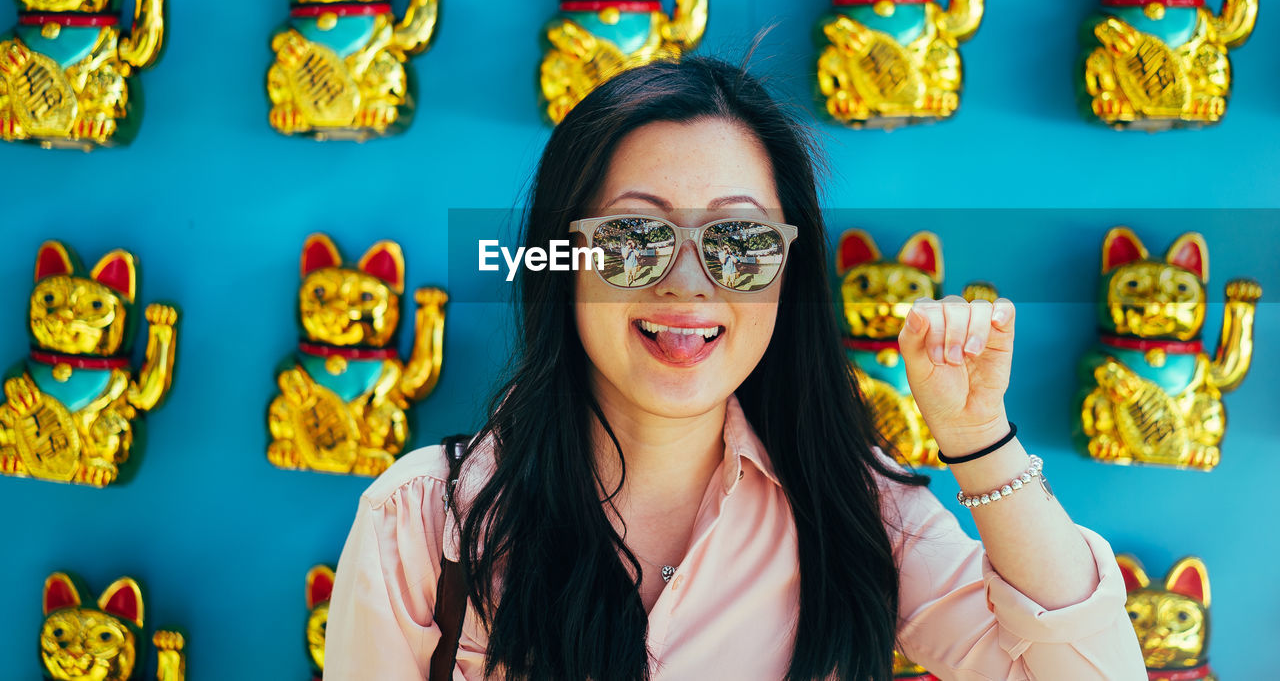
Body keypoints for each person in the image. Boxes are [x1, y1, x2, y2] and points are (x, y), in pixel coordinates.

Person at [324, 56, 1146, 680]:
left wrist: (977, 437)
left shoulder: (852, 509)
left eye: (740, 241)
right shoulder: (425, 519)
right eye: (635, 237)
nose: (688, 282)